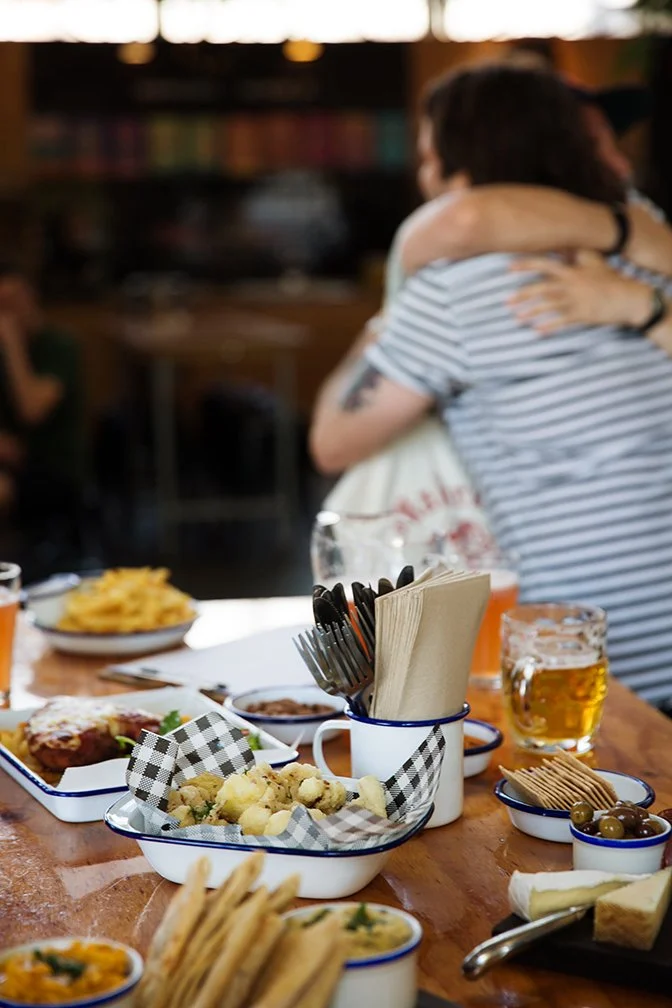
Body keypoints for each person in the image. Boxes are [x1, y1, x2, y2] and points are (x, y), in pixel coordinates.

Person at [310, 64, 672, 705]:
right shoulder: (647, 243)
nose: (424, 178)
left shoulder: (456, 290)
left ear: (464, 162)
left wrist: (384, 325)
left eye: (430, 159)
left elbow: (334, 440)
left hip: (595, 670)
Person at [0, 263, 84, 541]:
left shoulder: (59, 346)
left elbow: (32, 410)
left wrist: (12, 344)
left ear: (31, 296)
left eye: (13, 302)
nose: (7, 314)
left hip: (51, 469)